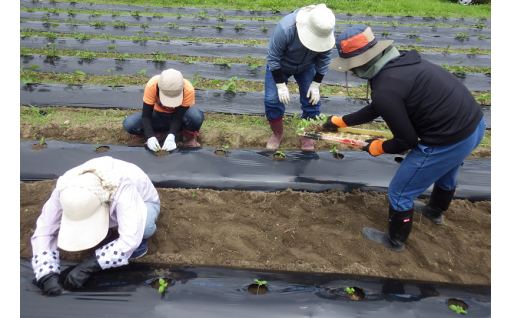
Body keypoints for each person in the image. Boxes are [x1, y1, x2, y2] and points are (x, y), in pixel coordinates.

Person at [323, 25, 485, 252]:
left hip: (447, 139)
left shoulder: (385, 88)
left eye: (351, 67)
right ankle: (434, 211)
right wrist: (340, 121)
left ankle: (395, 241)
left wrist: (377, 147)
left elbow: (406, 141)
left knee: (399, 191)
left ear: (362, 63)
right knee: (447, 171)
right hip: (474, 127)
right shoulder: (401, 63)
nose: (350, 72)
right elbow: (378, 107)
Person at [31, 156, 161, 294]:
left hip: (143, 201)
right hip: (110, 204)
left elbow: (130, 239)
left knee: (144, 227)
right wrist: (46, 274)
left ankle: (140, 246)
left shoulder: (121, 187)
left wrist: (90, 265)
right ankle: (107, 234)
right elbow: (45, 229)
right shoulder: (65, 189)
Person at [264, 3, 335, 151]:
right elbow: (273, 57)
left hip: (307, 66)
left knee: (312, 101)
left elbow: (325, 57)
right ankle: (277, 134)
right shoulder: (286, 28)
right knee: (272, 99)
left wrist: (316, 84)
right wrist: (280, 84)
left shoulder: (325, 29)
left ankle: (307, 134)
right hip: (280, 66)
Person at [123, 68, 204, 151]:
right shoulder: (152, 85)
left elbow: (178, 117)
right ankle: (158, 135)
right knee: (129, 123)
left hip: (181, 119)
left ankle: (188, 138)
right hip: (158, 116)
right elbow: (146, 115)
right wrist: (150, 136)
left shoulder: (188, 89)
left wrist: (171, 135)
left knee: (195, 116)